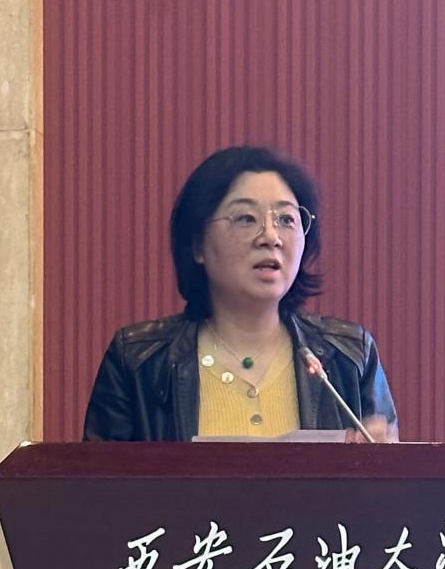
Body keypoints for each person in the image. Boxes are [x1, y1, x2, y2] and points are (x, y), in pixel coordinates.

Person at [83, 145, 398, 442]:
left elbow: (392, 477)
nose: (271, 237)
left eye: (286, 219)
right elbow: (100, 481)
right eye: (246, 219)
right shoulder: (139, 361)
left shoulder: (349, 356)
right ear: (197, 244)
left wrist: (383, 465)